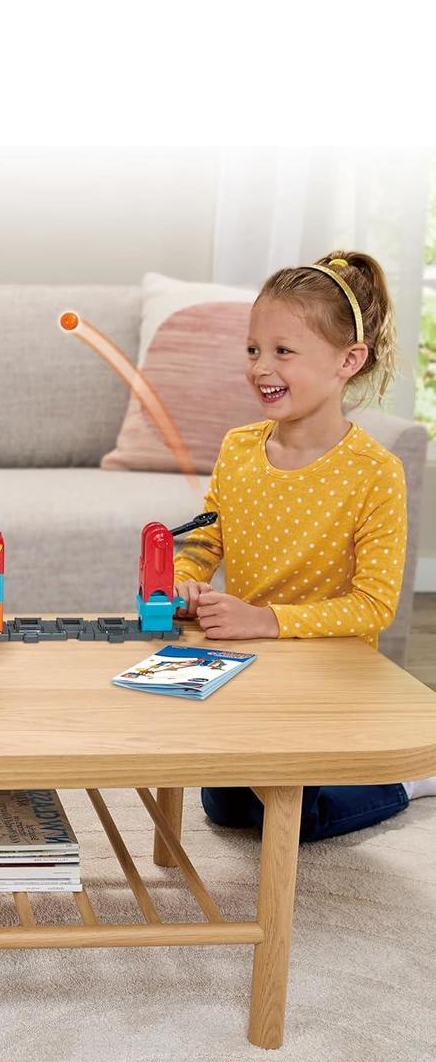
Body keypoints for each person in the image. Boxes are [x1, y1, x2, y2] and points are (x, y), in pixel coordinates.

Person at [172, 250, 435, 843]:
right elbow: (205, 540)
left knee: (293, 820)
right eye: (253, 349)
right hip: (249, 666)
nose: (260, 368)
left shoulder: (375, 472)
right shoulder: (239, 447)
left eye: (283, 351)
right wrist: (186, 578)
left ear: (349, 360)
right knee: (224, 806)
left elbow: (373, 606)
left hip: (328, 676)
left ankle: (409, 779)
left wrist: (266, 620)